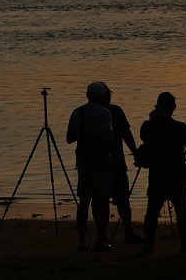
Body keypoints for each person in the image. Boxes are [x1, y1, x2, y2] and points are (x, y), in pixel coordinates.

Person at [139, 92, 186, 254]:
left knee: (152, 210)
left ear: (157, 107)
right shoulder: (181, 127)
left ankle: (149, 245)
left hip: (157, 173)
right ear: (174, 108)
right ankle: (184, 245)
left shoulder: (147, 127)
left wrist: (152, 120)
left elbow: (146, 142)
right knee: (181, 211)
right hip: (177, 173)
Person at [66, 82, 116, 252]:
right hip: (101, 160)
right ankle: (101, 240)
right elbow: (108, 136)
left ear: (87, 95)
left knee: (84, 201)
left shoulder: (77, 112)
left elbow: (69, 138)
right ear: (102, 96)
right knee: (102, 200)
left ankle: (81, 241)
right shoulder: (105, 113)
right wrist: (115, 157)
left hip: (82, 159)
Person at [98, 82, 144, 245]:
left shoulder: (88, 112)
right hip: (114, 161)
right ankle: (128, 233)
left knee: (101, 199)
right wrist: (136, 153)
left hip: (97, 162)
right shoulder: (115, 111)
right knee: (122, 198)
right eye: (109, 92)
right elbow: (126, 134)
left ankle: (102, 236)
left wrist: (136, 153)